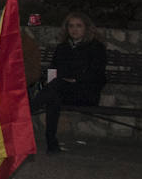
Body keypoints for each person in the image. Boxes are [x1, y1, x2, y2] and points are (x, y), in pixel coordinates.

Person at [43, 11, 108, 154]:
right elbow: (53, 68)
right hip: (62, 90)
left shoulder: (96, 47)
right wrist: (57, 78)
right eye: (71, 26)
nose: (74, 29)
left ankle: (27, 110)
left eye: (79, 26)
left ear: (86, 28)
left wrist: (76, 79)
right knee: (53, 94)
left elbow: (98, 75)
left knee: (54, 89)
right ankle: (51, 143)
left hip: (85, 93)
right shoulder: (63, 47)